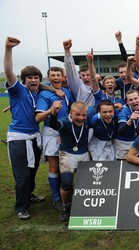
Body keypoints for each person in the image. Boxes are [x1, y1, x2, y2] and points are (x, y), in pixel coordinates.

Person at [4, 37, 45, 220]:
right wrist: (8, 48)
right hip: (19, 139)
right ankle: (21, 206)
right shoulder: (19, 90)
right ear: (24, 80)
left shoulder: (38, 94)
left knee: (33, 170)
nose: (34, 80)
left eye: (36, 77)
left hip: (34, 138)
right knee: (22, 176)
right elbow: (8, 71)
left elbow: (44, 87)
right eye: (30, 77)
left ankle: (29, 195)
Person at [35, 66, 74, 211]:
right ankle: (56, 197)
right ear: (49, 77)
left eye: (59, 75)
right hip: (51, 132)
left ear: (63, 77)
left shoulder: (67, 91)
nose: (56, 78)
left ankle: (66, 190)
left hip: (66, 131)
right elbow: (38, 117)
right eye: (53, 75)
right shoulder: (44, 94)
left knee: (67, 164)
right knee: (54, 165)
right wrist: (52, 109)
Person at [49, 101, 92, 222]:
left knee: (85, 183)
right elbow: (54, 125)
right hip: (67, 154)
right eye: (77, 115)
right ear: (70, 113)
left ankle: (82, 205)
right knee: (67, 183)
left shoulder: (87, 120)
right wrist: (53, 113)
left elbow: (100, 109)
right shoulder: (65, 121)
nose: (81, 118)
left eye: (84, 115)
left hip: (84, 154)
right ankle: (66, 207)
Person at [63, 39, 101, 106]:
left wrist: (90, 63)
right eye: (83, 75)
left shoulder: (99, 85)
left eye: (88, 75)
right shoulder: (78, 86)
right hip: (80, 114)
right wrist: (67, 51)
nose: (85, 77)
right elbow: (71, 72)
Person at [116, 89, 139, 160]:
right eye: (130, 100)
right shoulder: (123, 112)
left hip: (136, 140)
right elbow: (120, 131)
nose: (134, 101)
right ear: (127, 102)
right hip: (123, 143)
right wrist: (130, 121)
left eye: (135, 98)